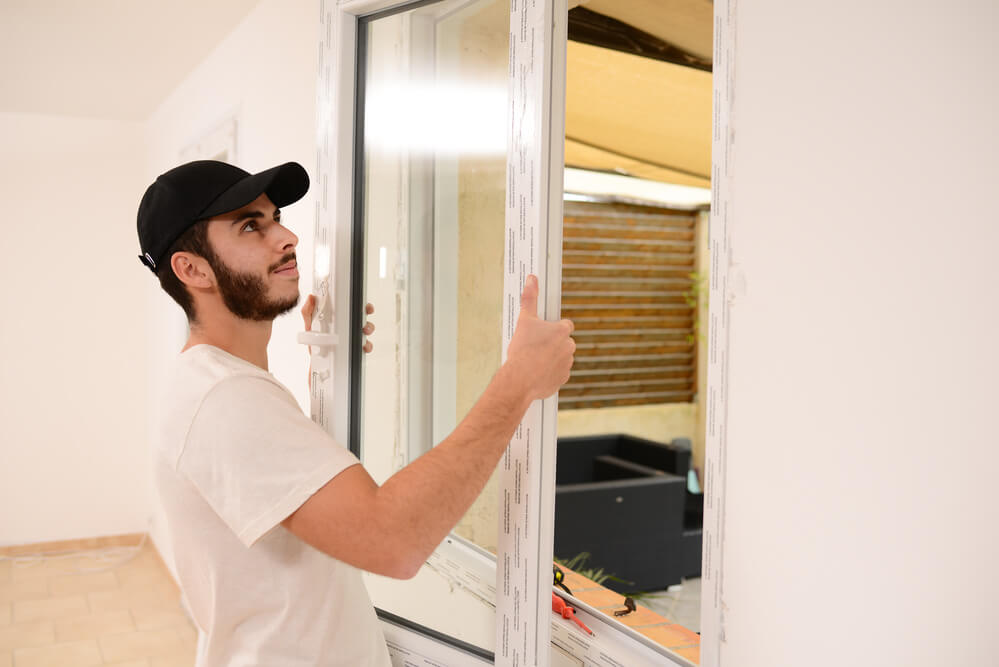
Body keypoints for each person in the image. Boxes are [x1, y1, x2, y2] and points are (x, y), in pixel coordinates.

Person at [136, 160, 575, 666]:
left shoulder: (217, 384)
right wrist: (519, 381)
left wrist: (328, 368)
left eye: (275, 217)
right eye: (250, 227)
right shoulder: (226, 399)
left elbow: (289, 508)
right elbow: (393, 541)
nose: (287, 237)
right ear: (192, 269)